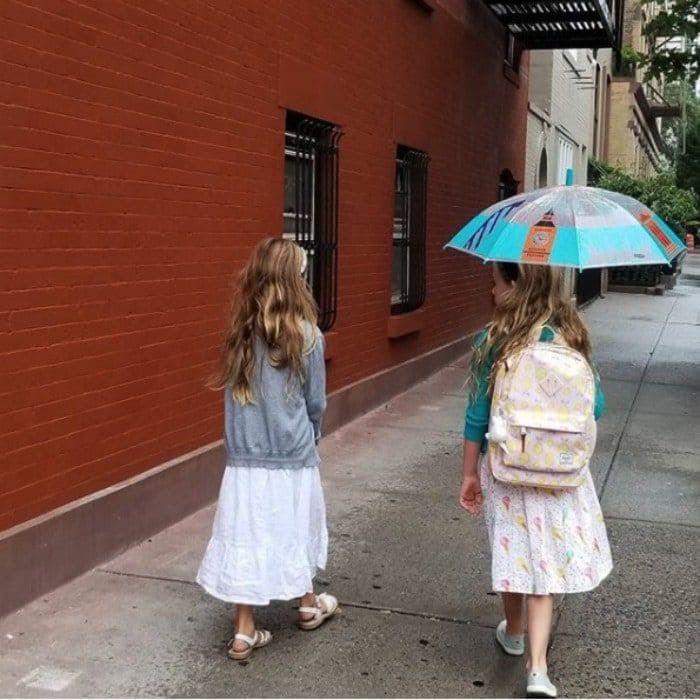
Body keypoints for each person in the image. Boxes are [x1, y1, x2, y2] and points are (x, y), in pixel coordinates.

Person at [460, 262, 612, 698]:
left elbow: (475, 417)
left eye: (495, 283)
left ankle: (514, 630)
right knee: (544, 564)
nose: (491, 292)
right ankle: (539, 669)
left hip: (508, 468)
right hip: (559, 471)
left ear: (514, 287)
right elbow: (595, 407)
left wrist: (469, 473)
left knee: (514, 555)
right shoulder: (572, 339)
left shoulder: (493, 343)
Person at [197, 238, 338, 661]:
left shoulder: (240, 337)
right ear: (294, 282)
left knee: (249, 531)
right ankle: (307, 604)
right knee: (292, 527)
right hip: (292, 455)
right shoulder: (309, 337)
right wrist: (313, 435)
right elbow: (316, 403)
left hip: (246, 460)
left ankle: (244, 631)